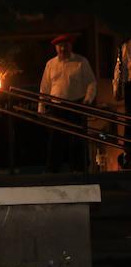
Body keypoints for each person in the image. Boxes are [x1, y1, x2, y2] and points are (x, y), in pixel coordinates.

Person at [40, 33, 97, 172]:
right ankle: (52, 170)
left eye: (65, 45)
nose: (63, 49)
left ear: (71, 46)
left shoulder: (81, 61)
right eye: (60, 46)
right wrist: (41, 106)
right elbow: (45, 86)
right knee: (55, 139)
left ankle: (79, 169)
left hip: (76, 105)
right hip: (56, 106)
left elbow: (91, 82)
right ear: (56, 48)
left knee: (77, 139)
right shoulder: (50, 64)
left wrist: (87, 100)